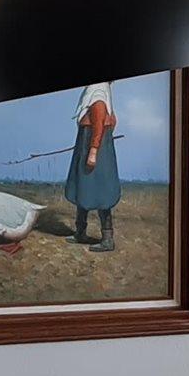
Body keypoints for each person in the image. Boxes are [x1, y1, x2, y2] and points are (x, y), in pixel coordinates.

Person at [63, 81, 121, 251]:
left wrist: (94, 150)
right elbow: (113, 121)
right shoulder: (95, 89)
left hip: (93, 144)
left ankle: (107, 239)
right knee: (83, 187)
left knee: (100, 191)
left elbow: (99, 120)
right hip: (87, 141)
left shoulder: (98, 91)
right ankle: (80, 232)